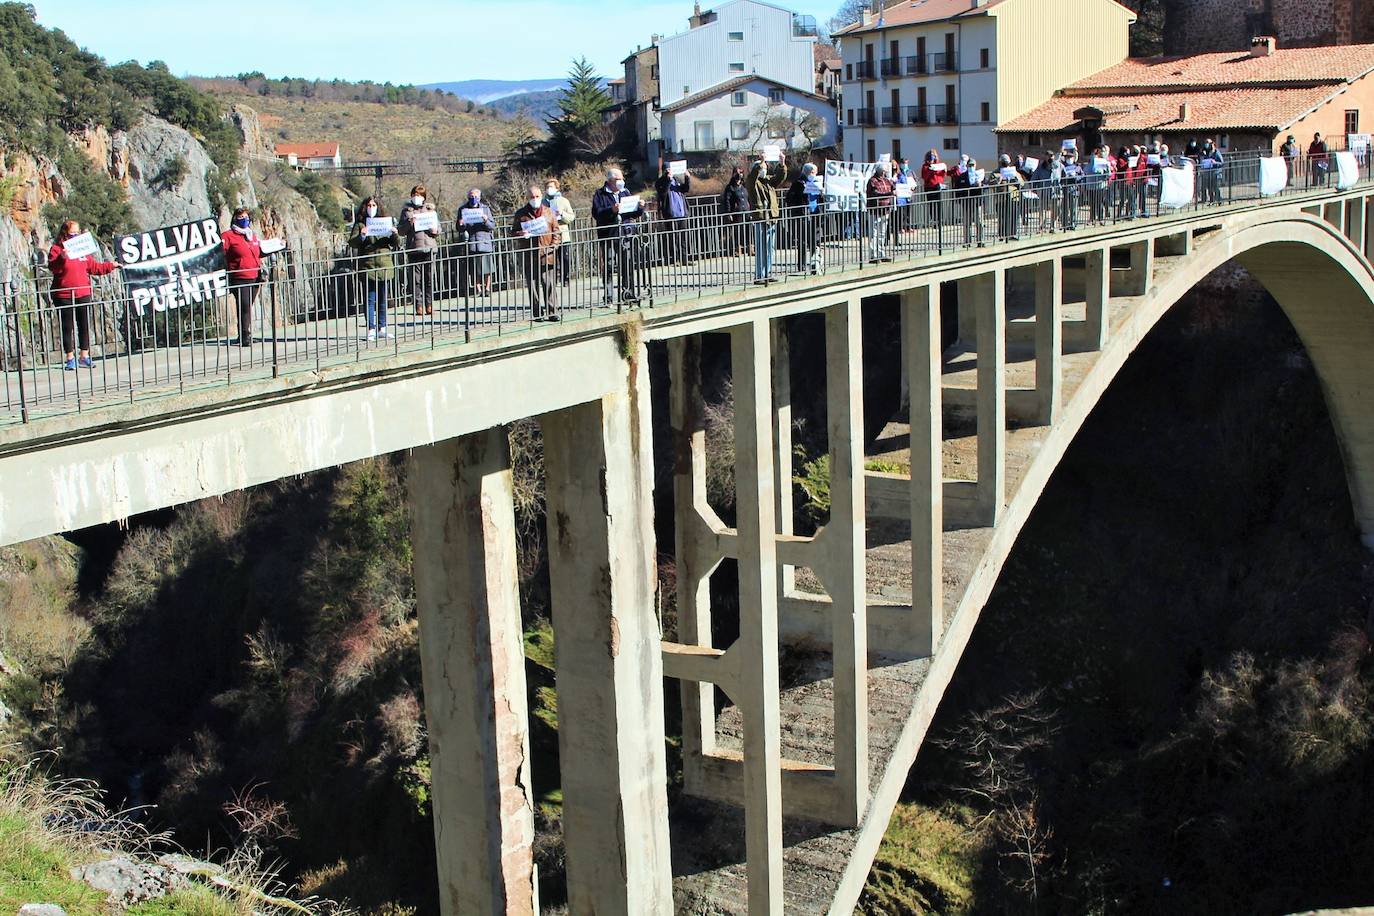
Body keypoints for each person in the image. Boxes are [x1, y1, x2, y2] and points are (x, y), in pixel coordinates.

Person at [47, 220, 118, 370]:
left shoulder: (81, 250)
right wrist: (62, 257)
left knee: (84, 324)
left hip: (82, 292)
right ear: (65, 233)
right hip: (64, 294)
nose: (76, 235)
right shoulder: (56, 249)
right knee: (67, 326)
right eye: (73, 232)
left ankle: (84, 356)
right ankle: (70, 358)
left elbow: (94, 267)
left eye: (78, 232)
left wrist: (111, 266)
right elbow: (53, 267)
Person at [349, 197, 399, 342]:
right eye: (369, 205)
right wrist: (362, 235)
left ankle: (382, 328)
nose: (371, 207)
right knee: (370, 299)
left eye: (374, 205)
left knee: (383, 299)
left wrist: (394, 234)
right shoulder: (360, 224)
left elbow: (395, 243)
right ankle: (371, 328)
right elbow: (353, 242)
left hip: (384, 265)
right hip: (368, 266)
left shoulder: (385, 221)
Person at [512, 185, 561, 321]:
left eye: (537, 196)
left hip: (547, 253)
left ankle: (553, 312)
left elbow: (556, 231)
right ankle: (537, 313)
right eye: (532, 197)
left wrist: (553, 246)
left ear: (541, 196)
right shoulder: (521, 214)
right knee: (533, 286)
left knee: (549, 284)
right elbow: (513, 232)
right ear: (528, 198)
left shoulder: (548, 212)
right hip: (529, 254)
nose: (535, 199)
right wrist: (520, 234)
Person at [222, 207, 265, 347]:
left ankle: (244, 332)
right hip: (239, 276)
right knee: (244, 305)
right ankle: (245, 335)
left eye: (246, 217)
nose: (245, 220)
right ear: (235, 219)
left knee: (247, 306)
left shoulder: (251, 235)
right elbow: (221, 254)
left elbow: (258, 252)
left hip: (255, 276)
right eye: (241, 217)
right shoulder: (228, 236)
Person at [592, 167, 635, 303]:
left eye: (622, 179)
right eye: (618, 179)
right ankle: (609, 295)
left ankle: (628, 292)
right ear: (610, 181)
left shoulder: (625, 192)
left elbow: (632, 212)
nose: (621, 181)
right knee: (609, 265)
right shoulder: (600, 194)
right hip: (608, 234)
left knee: (626, 264)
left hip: (624, 233)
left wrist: (639, 207)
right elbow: (597, 213)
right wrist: (612, 210)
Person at [398, 184, 439, 318]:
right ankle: (418, 305)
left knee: (429, 278)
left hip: (429, 247)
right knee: (416, 280)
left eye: (420, 195)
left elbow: (438, 228)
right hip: (414, 248)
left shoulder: (430, 210)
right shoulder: (406, 211)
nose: (417, 197)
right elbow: (401, 231)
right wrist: (410, 222)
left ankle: (429, 304)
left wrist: (435, 231)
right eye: (415, 194)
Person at [745, 156, 787, 284]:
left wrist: (782, 163)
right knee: (761, 247)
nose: (765, 170)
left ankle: (767, 272)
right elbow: (752, 178)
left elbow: (780, 177)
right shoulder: (753, 183)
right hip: (760, 217)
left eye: (765, 168)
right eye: (762, 168)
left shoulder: (768, 182)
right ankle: (759, 275)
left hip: (771, 217)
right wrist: (761, 163)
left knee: (770, 247)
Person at [784, 161, 824, 273]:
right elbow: (789, 199)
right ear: (808, 172)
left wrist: (822, 193)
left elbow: (820, 199)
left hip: (815, 214)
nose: (814, 175)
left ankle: (814, 266)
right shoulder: (798, 183)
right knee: (802, 241)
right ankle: (801, 266)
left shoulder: (817, 183)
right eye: (813, 172)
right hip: (803, 215)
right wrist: (803, 192)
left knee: (814, 242)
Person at [456, 188, 496, 298]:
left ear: (479, 197)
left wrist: (486, 221)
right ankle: (478, 289)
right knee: (474, 267)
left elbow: (492, 226)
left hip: (485, 240)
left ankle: (487, 288)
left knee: (487, 267)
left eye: (475, 197)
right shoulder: (463, 209)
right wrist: (461, 224)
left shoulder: (485, 208)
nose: (473, 199)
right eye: (471, 196)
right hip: (472, 241)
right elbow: (459, 228)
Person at [654, 162, 692, 265]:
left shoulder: (677, 180)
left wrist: (687, 178)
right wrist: (668, 180)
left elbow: (686, 189)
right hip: (670, 214)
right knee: (673, 238)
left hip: (681, 213)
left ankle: (684, 259)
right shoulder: (660, 182)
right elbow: (663, 193)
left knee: (683, 237)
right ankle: (674, 259)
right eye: (667, 170)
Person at [543, 178, 576, 286]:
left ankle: (565, 278)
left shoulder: (563, 201)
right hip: (548, 235)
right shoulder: (543, 202)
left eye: (551, 187)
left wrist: (562, 214)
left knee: (565, 258)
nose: (549, 189)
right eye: (547, 187)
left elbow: (571, 217)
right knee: (551, 258)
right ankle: (553, 279)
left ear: (557, 188)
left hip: (563, 234)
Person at [865, 161, 897, 262]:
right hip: (875, 210)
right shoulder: (872, 181)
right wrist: (889, 194)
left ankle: (881, 253)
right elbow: (875, 193)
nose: (884, 173)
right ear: (878, 171)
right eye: (883, 171)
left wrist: (895, 189)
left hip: (885, 210)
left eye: (885, 171)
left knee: (882, 233)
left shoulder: (887, 180)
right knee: (873, 233)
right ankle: (873, 255)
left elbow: (893, 187)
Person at [953, 157, 986, 246]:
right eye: (969, 165)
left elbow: (986, 187)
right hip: (966, 203)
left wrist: (980, 185)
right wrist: (960, 201)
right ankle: (967, 242)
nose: (971, 166)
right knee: (967, 224)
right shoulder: (962, 176)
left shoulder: (979, 175)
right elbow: (957, 188)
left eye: (972, 165)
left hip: (976, 202)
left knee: (979, 222)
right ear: (967, 165)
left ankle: (980, 241)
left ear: (975, 166)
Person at [990, 155, 1023, 241]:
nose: (1005, 165)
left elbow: (1022, 183)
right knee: (1002, 217)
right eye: (1003, 163)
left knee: (1013, 216)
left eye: (1007, 163)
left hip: (1013, 197)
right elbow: (989, 183)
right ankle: (1002, 235)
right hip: (1001, 199)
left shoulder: (1014, 172)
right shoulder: (995, 173)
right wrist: (997, 181)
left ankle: (1012, 234)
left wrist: (1016, 180)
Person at [720, 166, 750, 256]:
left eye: (741, 173)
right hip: (737, 212)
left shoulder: (744, 186)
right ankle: (738, 249)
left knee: (748, 231)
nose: (739, 175)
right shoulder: (730, 188)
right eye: (737, 173)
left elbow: (748, 198)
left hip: (746, 211)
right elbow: (727, 201)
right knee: (738, 231)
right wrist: (729, 213)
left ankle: (750, 248)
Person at [920, 149, 948, 227]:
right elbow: (924, 177)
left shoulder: (939, 165)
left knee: (939, 204)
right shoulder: (925, 166)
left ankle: (940, 221)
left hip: (938, 187)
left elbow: (942, 175)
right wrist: (930, 169)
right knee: (932, 205)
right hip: (929, 187)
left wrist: (941, 169)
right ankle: (935, 221)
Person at [1199, 139, 1225, 204]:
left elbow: (1222, 163)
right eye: (1205, 143)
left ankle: (1219, 200)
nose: (1206, 144)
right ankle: (1211, 200)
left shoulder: (1216, 152)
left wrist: (1215, 162)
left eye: (1207, 143)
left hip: (1216, 172)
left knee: (1216, 187)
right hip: (1208, 172)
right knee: (1209, 187)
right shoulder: (1206, 152)